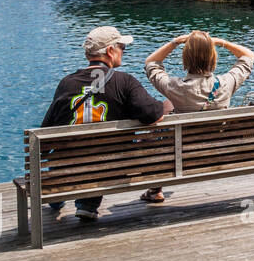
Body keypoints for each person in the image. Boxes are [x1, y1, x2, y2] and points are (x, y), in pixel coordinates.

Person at [40, 27, 172, 219]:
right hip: (112, 168)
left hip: (66, 168)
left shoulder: (66, 83)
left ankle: (58, 193)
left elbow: (47, 131)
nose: (123, 51)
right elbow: (153, 114)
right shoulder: (124, 82)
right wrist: (167, 104)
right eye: (122, 47)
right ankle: (88, 203)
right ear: (110, 51)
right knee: (103, 152)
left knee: (73, 151)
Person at [142, 31, 254, 203]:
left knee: (164, 109)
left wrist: (175, 42)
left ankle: (155, 189)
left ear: (185, 58)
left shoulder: (175, 87)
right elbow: (248, 55)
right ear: (213, 57)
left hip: (180, 155)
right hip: (218, 151)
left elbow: (151, 62)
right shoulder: (226, 83)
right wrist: (221, 42)